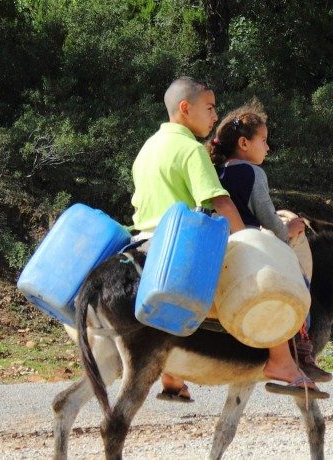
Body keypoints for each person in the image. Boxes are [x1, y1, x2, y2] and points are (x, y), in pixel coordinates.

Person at [130, 76, 246, 403]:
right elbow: (219, 202)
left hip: (139, 244)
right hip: (172, 248)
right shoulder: (191, 149)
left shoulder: (148, 147)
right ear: (185, 108)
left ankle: (172, 375)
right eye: (209, 108)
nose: (214, 116)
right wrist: (251, 241)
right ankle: (280, 360)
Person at [209, 101, 333, 389]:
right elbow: (269, 219)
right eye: (263, 140)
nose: (268, 148)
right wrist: (289, 230)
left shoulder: (218, 172)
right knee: (299, 284)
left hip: (221, 248)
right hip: (248, 250)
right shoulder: (254, 173)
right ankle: (303, 351)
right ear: (244, 143)